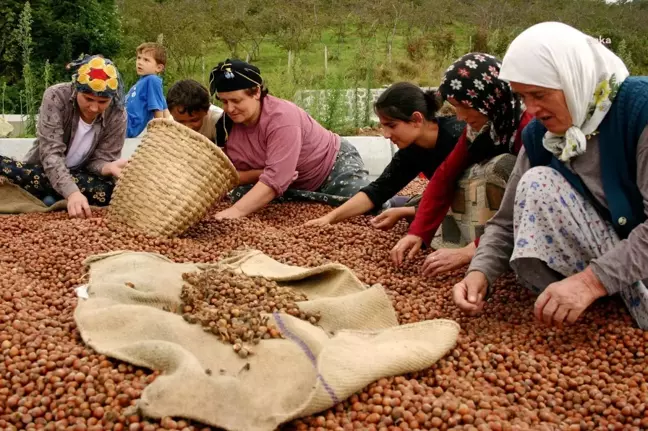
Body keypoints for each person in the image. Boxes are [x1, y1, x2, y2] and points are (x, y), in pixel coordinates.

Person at [453, 22, 648, 330]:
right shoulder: (541, 137)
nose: (532, 108)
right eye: (522, 97)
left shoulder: (638, 111)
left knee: (539, 182)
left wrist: (590, 283)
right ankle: (607, 308)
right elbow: (506, 222)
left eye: (540, 94)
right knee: (536, 184)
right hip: (608, 266)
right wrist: (480, 272)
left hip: (636, 263)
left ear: (574, 77)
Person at [389, 53, 533, 276]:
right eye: (455, 106)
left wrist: (471, 252)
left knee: (504, 165)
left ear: (489, 97)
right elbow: (445, 175)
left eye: (465, 105)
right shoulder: (480, 129)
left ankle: (498, 252)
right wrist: (417, 231)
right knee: (464, 176)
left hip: (525, 221)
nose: (460, 116)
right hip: (495, 226)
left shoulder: (528, 129)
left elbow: (530, 204)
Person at [208, 59, 371, 220]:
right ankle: (307, 199)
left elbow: (276, 178)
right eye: (224, 101)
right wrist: (260, 174)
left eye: (236, 101)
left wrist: (235, 211)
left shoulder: (282, 118)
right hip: (290, 185)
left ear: (256, 92)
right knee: (237, 194)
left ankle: (395, 202)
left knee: (367, 205)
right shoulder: (225, 126)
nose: (229, 108)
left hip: (330, 167)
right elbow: (228, 174)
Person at [305, 82, 464, 229]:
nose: (386, 135)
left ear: (416, 119)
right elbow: (378, 190)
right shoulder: (412, 150)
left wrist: (406, 212)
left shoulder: (459, 137)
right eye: (383, 126)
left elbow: (470, 199)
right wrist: (329, 218)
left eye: (391, 125)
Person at [0, 55, 127, 218]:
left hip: (81, 177)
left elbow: (99, 160)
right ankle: (57, 196)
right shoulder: (56, 96)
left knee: (108, 192)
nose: (94, 108)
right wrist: (72, 193)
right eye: (88, 99)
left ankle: (48, 196)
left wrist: (107, 167)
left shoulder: (117, 114)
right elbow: (50, 153)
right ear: (76, 89)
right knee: (10, 167)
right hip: (43, 170)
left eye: (102, 102)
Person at [126, 42, 169, 138]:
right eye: (138, 58)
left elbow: (158, 109)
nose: (140, 62)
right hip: (121, 121)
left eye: (146, 60)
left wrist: (160, 133)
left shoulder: (152, 80)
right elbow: (165, 108)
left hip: (126, 125)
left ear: (158, 67)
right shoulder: (142, 82)